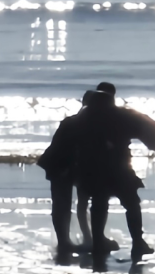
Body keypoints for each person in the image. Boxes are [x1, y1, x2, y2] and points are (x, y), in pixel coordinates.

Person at [73, 82, 155, 263]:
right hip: (120, 168)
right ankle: (137, 242)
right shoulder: (122, 115)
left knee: (100, 204)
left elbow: (73, 140)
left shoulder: (85, 117)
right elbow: (150, 127)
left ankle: (98, 242)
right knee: (131, 204)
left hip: (96, 170)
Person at [36, 90, 117, 258]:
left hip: (75, 166)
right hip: (59, 165)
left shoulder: (91, 121)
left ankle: (91, 239)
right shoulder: (76, 122)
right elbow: (63, 150)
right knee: (62, 204)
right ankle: (64, 242)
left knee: (81, 201)